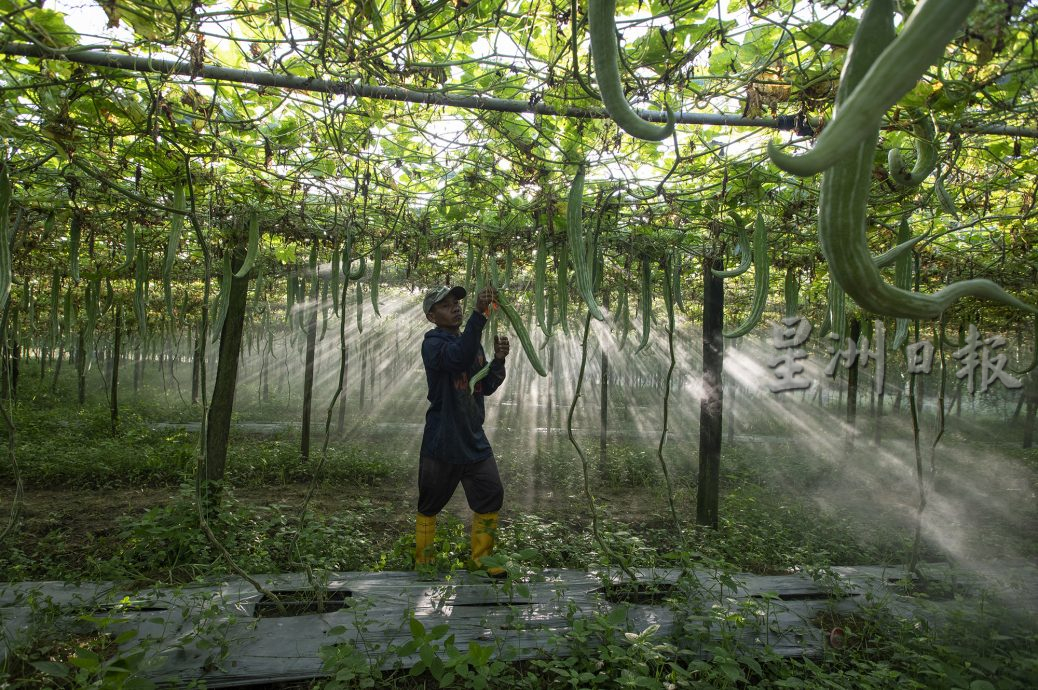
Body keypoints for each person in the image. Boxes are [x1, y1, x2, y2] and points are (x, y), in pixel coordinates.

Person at [415, 284, 510, 572]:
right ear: (432, 316)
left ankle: (482, 560)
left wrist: (499, 361)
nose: (455, 307)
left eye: (456, 302)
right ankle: (425, 562)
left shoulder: (472, 343)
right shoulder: (432, 344)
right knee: (429, 503)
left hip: (473, 439)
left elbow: (485, 386)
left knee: (491, 494)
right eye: (445, 305)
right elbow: (456, 356)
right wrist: (479, 315)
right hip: (442, 442)